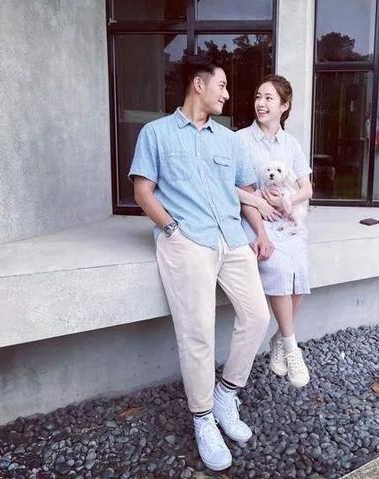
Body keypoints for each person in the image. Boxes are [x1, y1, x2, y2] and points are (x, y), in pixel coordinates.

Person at [128, 55, 273, 472]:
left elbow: (245, 192)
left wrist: (260, 232)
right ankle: (203, 417)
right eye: (222, 86)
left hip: (232, 237)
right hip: (187, 240)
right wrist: (171, 229)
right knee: (198, 332)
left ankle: (227, 393)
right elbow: (143, 191)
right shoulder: (155, 134)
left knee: (257, 316)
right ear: (198, 84)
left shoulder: (229, 140)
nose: (227, 95)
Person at [236, 75, 314, 388]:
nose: (261, 103)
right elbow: (237, 191)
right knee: (280, 267)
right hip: (257, 220)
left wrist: (287, 202)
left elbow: (307, 188)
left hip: (288, 219)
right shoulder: (241, 140)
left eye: (269, 98)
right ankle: (292, 347)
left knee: (300, 271)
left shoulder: (291, 144)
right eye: (258, 96)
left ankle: (280, 339)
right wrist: (260, 210)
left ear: (284, 105)